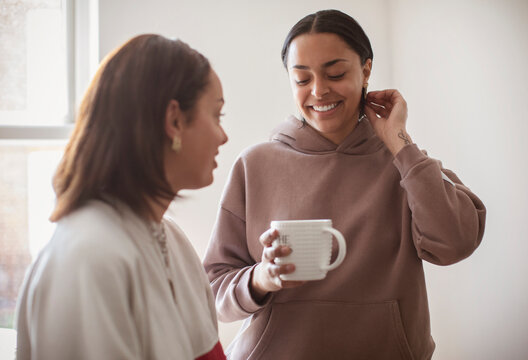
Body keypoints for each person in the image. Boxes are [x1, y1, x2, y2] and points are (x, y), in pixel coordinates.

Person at [203, 9, 486, 360]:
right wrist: (262, 278)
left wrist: (399, 142)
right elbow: (213, 292)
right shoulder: (254, 164)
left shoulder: (406, 164)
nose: (319, 91)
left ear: (366, 70)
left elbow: (456, 242)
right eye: (302, 79)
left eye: (335, 73)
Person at [15, 34, 228, 360]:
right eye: (216, 115)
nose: (223, 136)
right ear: (174, 120)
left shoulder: (174, 242)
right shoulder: (87, 257)